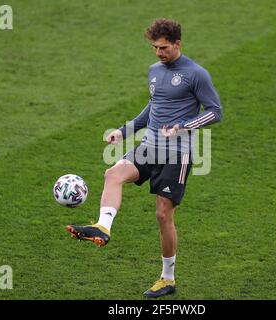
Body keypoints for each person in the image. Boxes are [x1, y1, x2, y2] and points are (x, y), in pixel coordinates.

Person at [66, 18, 223, 298]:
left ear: (177, 44)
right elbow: (153, 107)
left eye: (163, 48)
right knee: (113, 174)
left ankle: (167, 278)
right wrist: (123, 131)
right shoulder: (154, 70)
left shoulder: (196, 74)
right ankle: (102, 227)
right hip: (149, 147)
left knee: (163, 215)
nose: (159, 53)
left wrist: (184, 125)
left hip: (177, 154)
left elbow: (215, 112)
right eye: (155, 47)